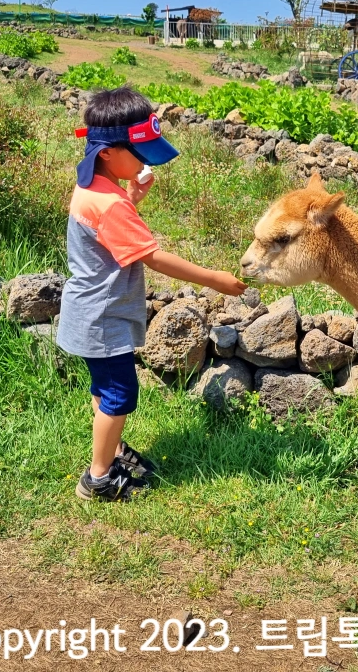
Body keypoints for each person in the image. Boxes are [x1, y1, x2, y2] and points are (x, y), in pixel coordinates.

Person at [56, 86, 247, 502]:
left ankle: (113, 448)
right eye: (138, 152)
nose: (144, 161)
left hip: (87, 311)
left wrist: (132, 197)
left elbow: (110, 237)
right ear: (108, 153)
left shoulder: (93, 188)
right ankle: (99, 477)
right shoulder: (111, 205)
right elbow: (154, 258)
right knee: (121, 395)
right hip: (104, 319)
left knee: (103, 390)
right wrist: (215, 278)